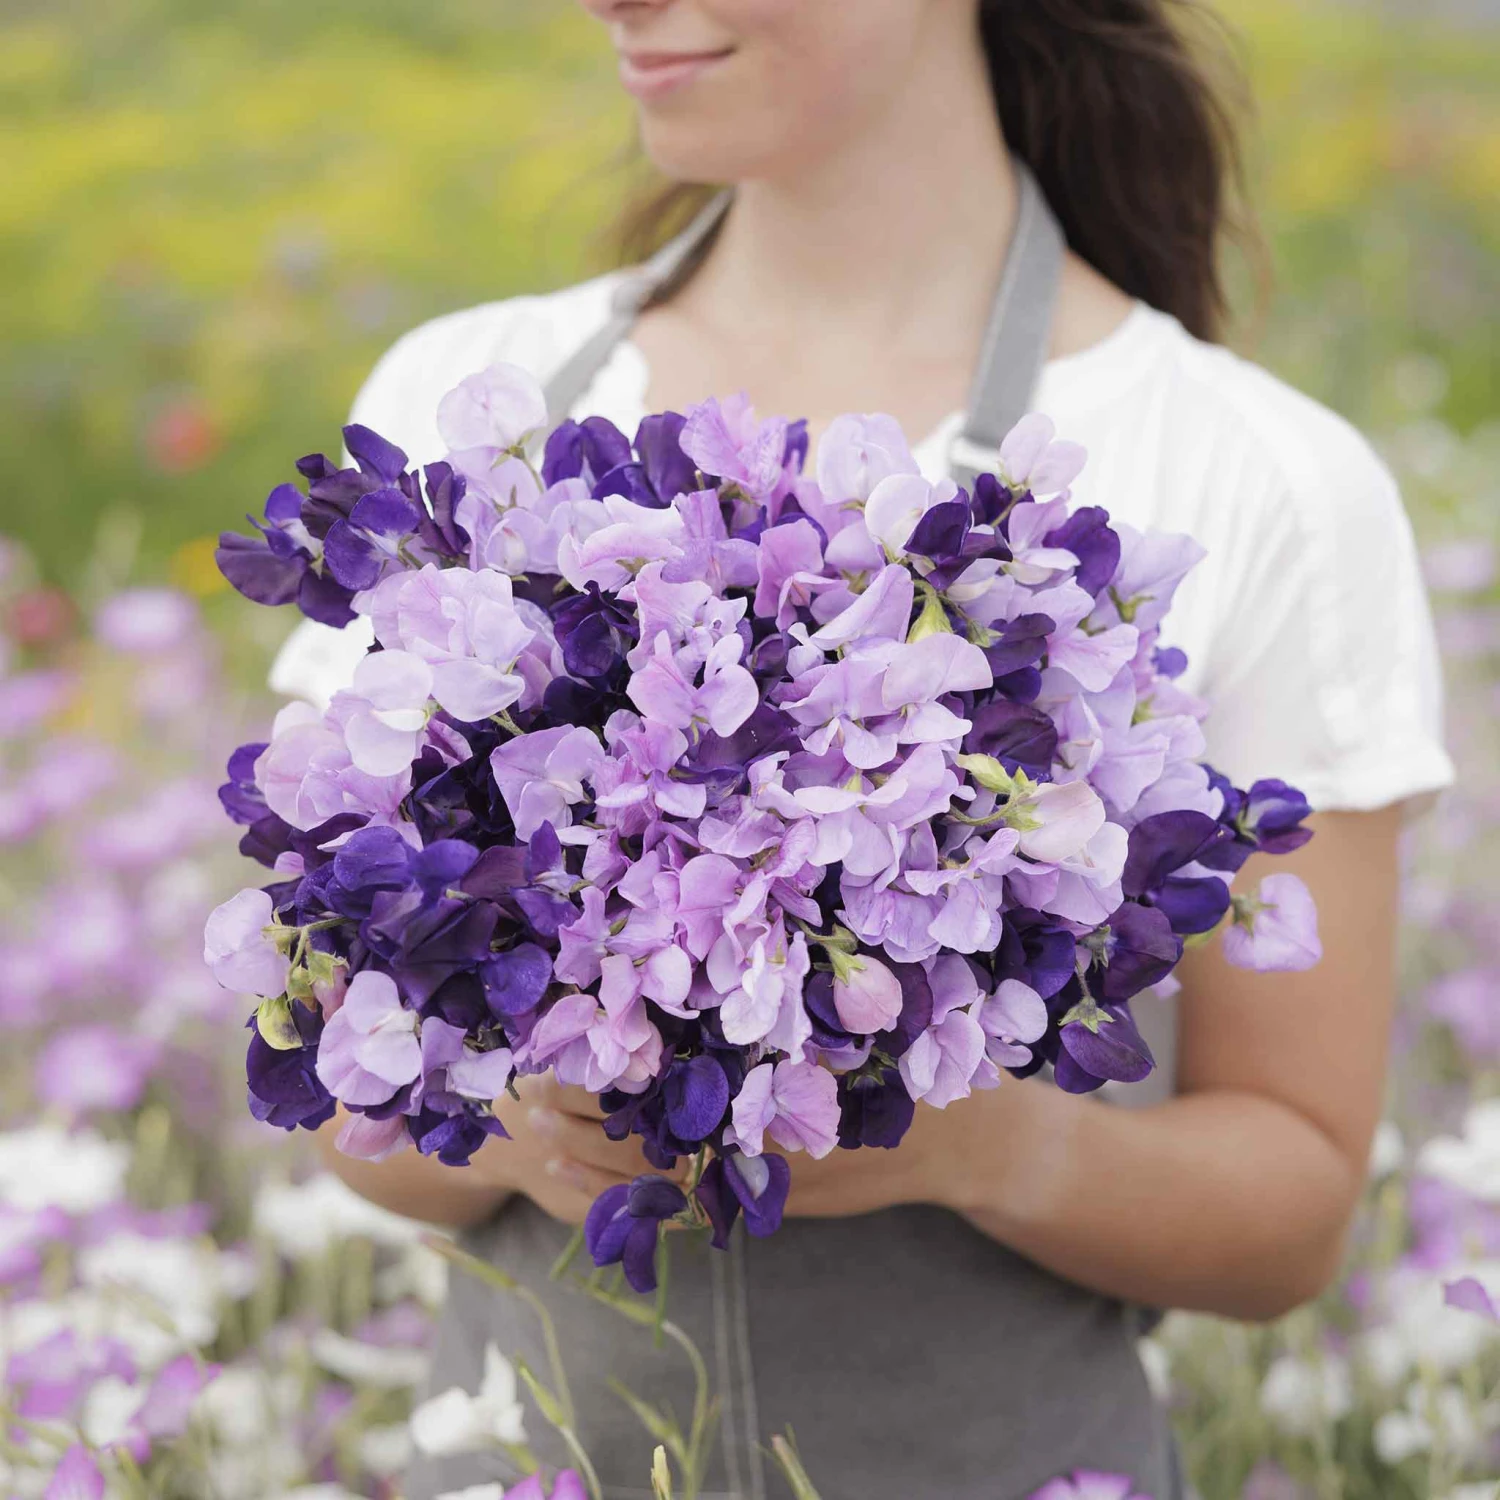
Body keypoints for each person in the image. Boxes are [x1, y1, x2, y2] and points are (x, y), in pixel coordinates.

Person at [272, 2, 1454, 1496]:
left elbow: (1290, 1220)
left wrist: (982, 1149)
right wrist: (524, 1122)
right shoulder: (480, 397)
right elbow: (334, 1102)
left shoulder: (1251, 472)